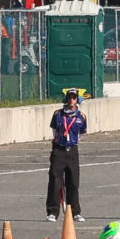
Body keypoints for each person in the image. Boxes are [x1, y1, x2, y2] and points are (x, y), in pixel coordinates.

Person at [46, 90, 87, 223]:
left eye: (74, 98)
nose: (71, 100)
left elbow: (81, 133)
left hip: (73, 150)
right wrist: (59, 143)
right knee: (55, 181)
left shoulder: (81, 116)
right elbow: (54, 130)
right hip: (59, 150)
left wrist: (72, 142)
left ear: (77, 100)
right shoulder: (58, 114)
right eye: (69, 98)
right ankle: (52, 212)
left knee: (73, 182)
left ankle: (75, 212)